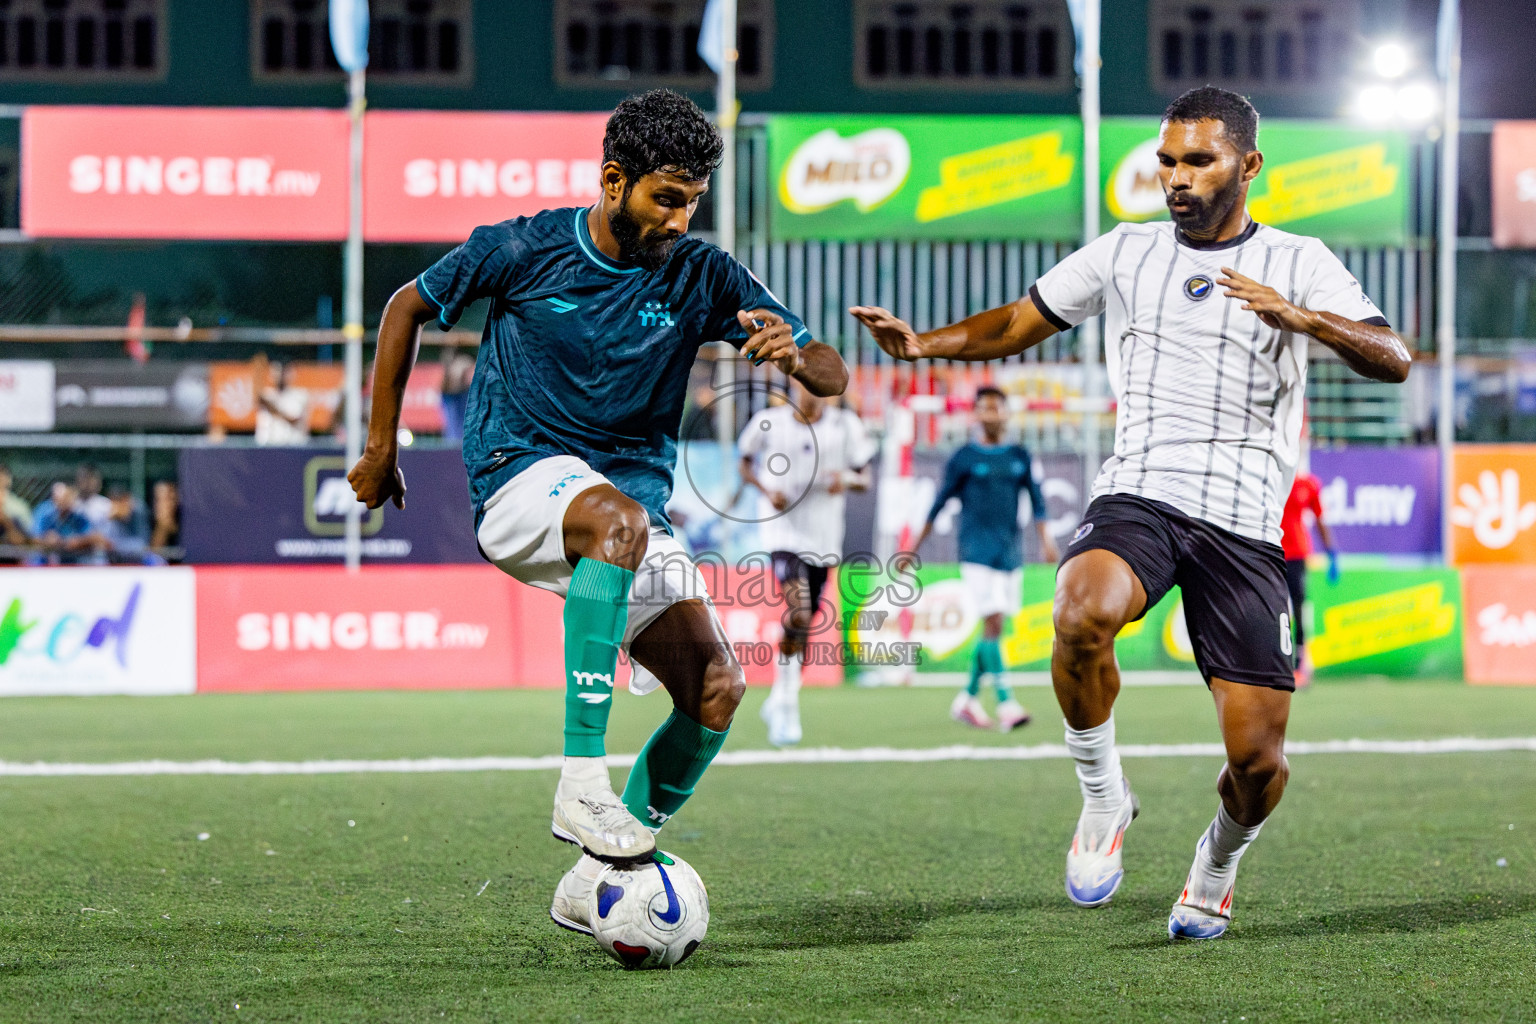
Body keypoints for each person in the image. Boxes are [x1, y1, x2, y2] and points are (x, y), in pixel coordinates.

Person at [851, 86, 1409, 940]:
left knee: (1257, 765)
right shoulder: (1125, 251)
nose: (1176, 178)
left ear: (1249, 165)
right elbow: (1020, 318)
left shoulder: (1302, 260)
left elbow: (1394, 357)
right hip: (1141, 491)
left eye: (1199, 161)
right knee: (1077, 615)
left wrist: (1303, 318)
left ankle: (1215, 863)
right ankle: (1105, 799)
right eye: (1168, 161)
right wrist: (926, 343)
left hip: (1245, 525)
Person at [346, 89, 848, 936]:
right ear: (613, 181)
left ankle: (595, 879)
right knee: (618, 520)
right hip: (518, 479)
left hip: (627, 515)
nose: (682, 219)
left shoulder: (704, 274)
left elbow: (834, 373)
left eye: (694, 200)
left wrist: (798, 356)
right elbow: (407, 306)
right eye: (666, 198)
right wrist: (379, 446)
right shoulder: (526, 246)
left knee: (718, 690)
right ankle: (582, 782)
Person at [899, 386, 1059, 733]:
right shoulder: (964, 457)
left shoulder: (1020, 454)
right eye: (984, 408)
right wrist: (913, 548)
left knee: (995, 627)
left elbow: (1038, 501)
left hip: (1009, 553)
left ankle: (967, 699)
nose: (990, 414)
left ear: (1006, 413)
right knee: (993, 620)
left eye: (996, 408)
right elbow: (937, 504)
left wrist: (1047, 541)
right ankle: (1006, 702)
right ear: (975, 414)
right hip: (974, 552)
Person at [738, 375, 875, 746]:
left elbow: (866, 478)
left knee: (806, 624)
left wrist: (843, 478)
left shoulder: (845, 426)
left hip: (824, 536)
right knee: (797, 612)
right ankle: (785, 704)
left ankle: (782, 695)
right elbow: (745, 463)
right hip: (782, 532)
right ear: (795, 385)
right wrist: (767, 491)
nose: (814, 392)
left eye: (822, 386)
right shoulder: (770, 421)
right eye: (806, 384)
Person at [1280, 468, 1339, 687]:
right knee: (1275, 609)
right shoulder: (1272, 476)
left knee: (1298, 607)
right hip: (1271, 551)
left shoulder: (1308, 484)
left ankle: (1299, 665)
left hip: (1296, 554)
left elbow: (1319, 518)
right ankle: (1275, 662)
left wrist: (1331, 551)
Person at [32, 482, 107, 565]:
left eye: (68, 498)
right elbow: (33, 538)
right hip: (44, 563)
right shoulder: (44, 513)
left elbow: (95, 537)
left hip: (72, 563)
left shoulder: (77, 517)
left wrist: (76, 542)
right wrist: (46, 540)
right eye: (62, 498)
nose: (65, 502)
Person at [253, 355, 312, 446]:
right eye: (276, 370)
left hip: (293, 449)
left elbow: (293, 419)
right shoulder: (268, 394)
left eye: (283, 371)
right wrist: (257, 372)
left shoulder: (300, 395)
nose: (279, 374)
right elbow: (258, 398)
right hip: (267, 449)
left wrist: (271, 407)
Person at [75, 463, 112, 532]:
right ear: (77, 480)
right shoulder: (70, 504)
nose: (87, 483)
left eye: (91, 479)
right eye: (84, 478)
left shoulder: (106, 505)